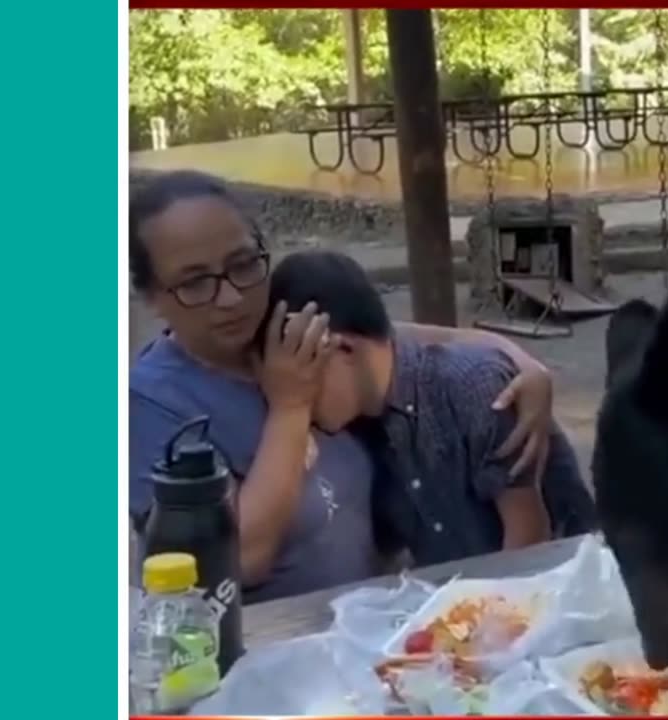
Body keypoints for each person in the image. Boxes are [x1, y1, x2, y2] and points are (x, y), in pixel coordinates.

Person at [128, 170, 561, 603]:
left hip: (376, 627)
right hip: (273, 646)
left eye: (243, 264)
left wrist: (524, 366)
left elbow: (394, 341)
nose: (231, 298)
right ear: (150, 296)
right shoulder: (149, 404)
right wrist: (291, 409)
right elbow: (241, 559)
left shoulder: (282, 326)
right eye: (195, 282)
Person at [258, 250, 598, 567]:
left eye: (303, 373)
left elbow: (528, 539)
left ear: (342, 348)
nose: (296, 394)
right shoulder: (359, 427)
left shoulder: (475, 388)